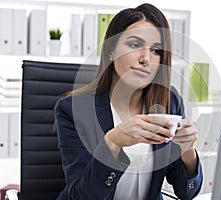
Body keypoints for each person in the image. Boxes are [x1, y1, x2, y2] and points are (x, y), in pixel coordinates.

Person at [54, 3, 203, 200]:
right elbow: (82, 196)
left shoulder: (169, 102)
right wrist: (113, 142)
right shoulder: (74, 109)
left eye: (156, 50)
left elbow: (187, 192)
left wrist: (188, 151)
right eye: (134, 45)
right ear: (111, 51)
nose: (146, 59)